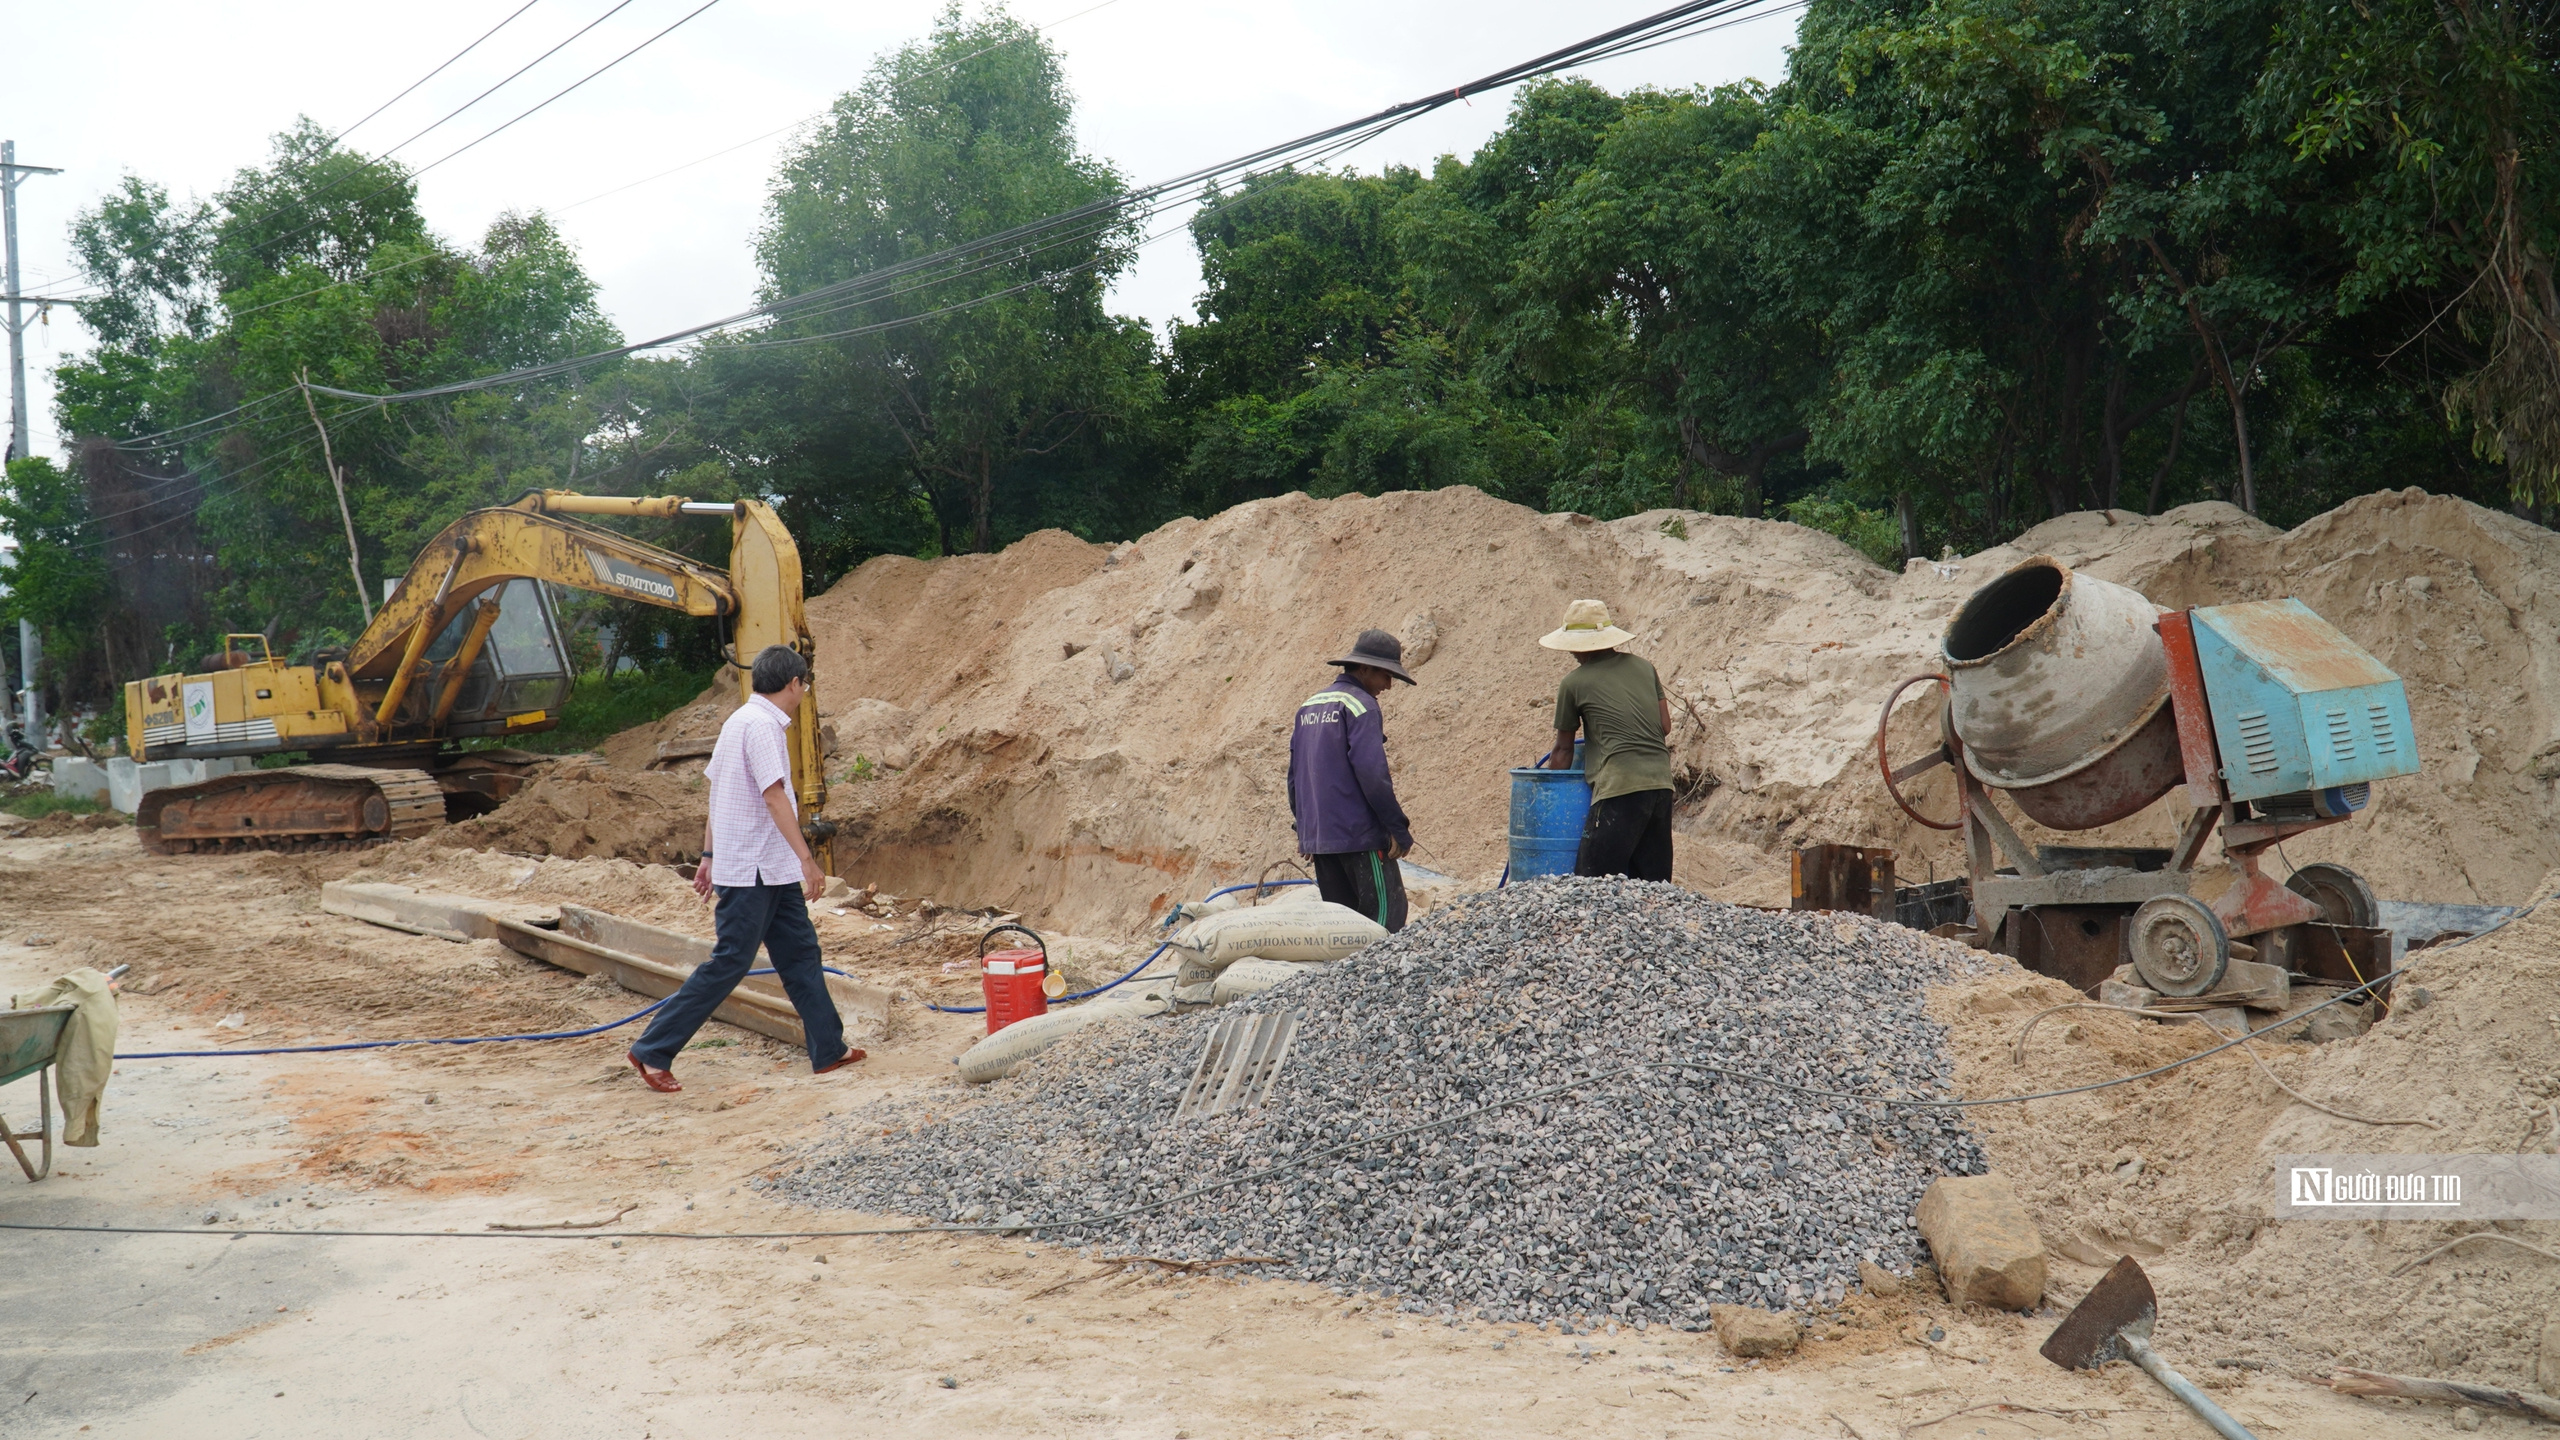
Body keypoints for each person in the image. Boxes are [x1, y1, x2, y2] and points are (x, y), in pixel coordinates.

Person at [627, 644, 862, 1093]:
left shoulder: (738, 721)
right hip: (755, 868)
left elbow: (720, 795)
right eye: (803, 684)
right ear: (793, 683)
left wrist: (709, 856)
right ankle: (653, 1050)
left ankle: (829, 1048)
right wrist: (808, 860)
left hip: (766, 868)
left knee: (799, 954)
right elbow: (775, 797)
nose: (803, 691)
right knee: (731, 960)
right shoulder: (762, 727)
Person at [1287, 629, 1418, 933]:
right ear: (1365, 668)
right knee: (1385, 922)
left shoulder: (1308, 706)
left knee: (1342, 929)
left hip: (1321, 840)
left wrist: (1305, 829)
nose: (1388, 685)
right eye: (1385, 676)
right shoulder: (1361, 705)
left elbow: (1295, 776)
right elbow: (1373, 774)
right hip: (1360, 837)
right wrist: (1398, 828)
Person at [1540, 599, 1677, 882]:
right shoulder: (1644, 667)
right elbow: (1664, 726)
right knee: (1654, 888)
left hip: (1619, 789)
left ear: (1577, 645)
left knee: (1592, 884)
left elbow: (1564, 750)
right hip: (1661, 784)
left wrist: (1548, 801)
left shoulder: (1573, 683)